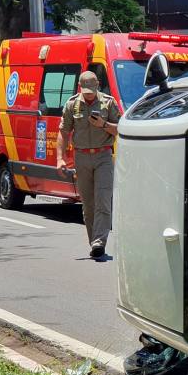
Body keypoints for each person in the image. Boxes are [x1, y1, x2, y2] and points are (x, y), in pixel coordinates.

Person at [57, 71, 121, 259]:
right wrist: (60, 158)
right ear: (80, 87)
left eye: (92, 90)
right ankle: (94, 242)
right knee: (88, 204)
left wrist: (102, 124)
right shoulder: (72, 105)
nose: (89, 94)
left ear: (98, 85)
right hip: (81, 157)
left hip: (103, 156)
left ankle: (99, 242)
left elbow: (119, 128)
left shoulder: (108, 103)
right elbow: (63, 132)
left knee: (103, 199)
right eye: (86, 91)